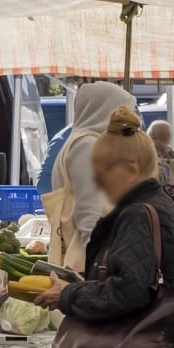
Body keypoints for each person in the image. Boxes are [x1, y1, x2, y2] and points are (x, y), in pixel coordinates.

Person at [34, 106, 174, 348]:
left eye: (103, 172)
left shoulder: (137, 215)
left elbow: (130, 291)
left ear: (130, 168)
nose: (98, 182)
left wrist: (68, 295)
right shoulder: (158, 204)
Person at [40, 80, 136, 274]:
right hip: (86, 262)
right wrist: (101, 259)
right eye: (121, 111)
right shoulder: (87, 146)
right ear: (104, 110)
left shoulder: (82, 142)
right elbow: (89, 212)